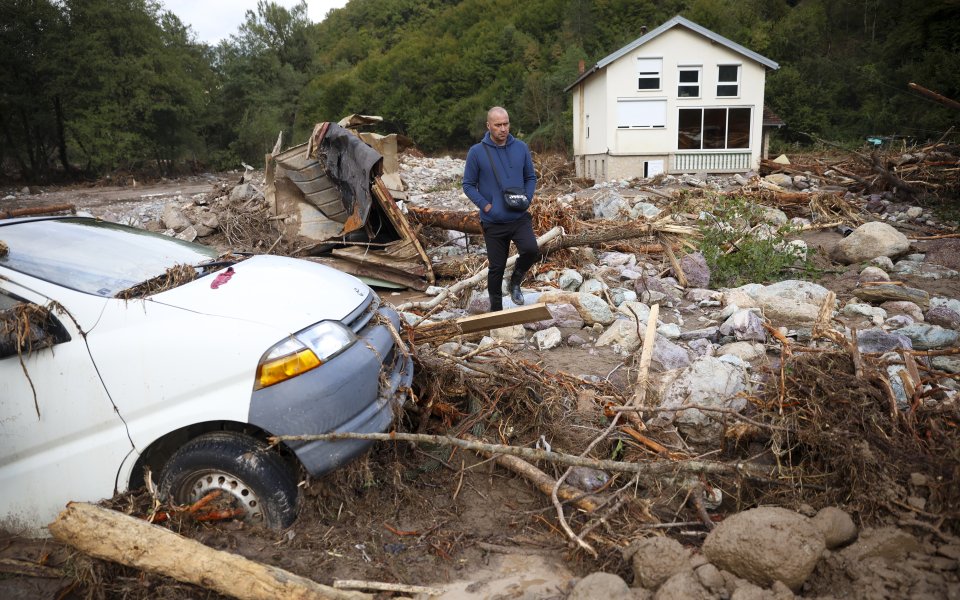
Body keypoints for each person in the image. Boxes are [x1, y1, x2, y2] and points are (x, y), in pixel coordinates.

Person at [462, 107, 538, 312]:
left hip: (519, 215)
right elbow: (468, 185)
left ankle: (515, 282)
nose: (503, 129)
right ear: (489, 126)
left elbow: (530, 177)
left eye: (506, 124)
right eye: (498, 125)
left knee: (532, 250)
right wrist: (487, 206)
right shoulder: (477, 152)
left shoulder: (521, 147)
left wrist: (527, 198)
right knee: (496, 268)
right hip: (493, 220)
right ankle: (496, 310)